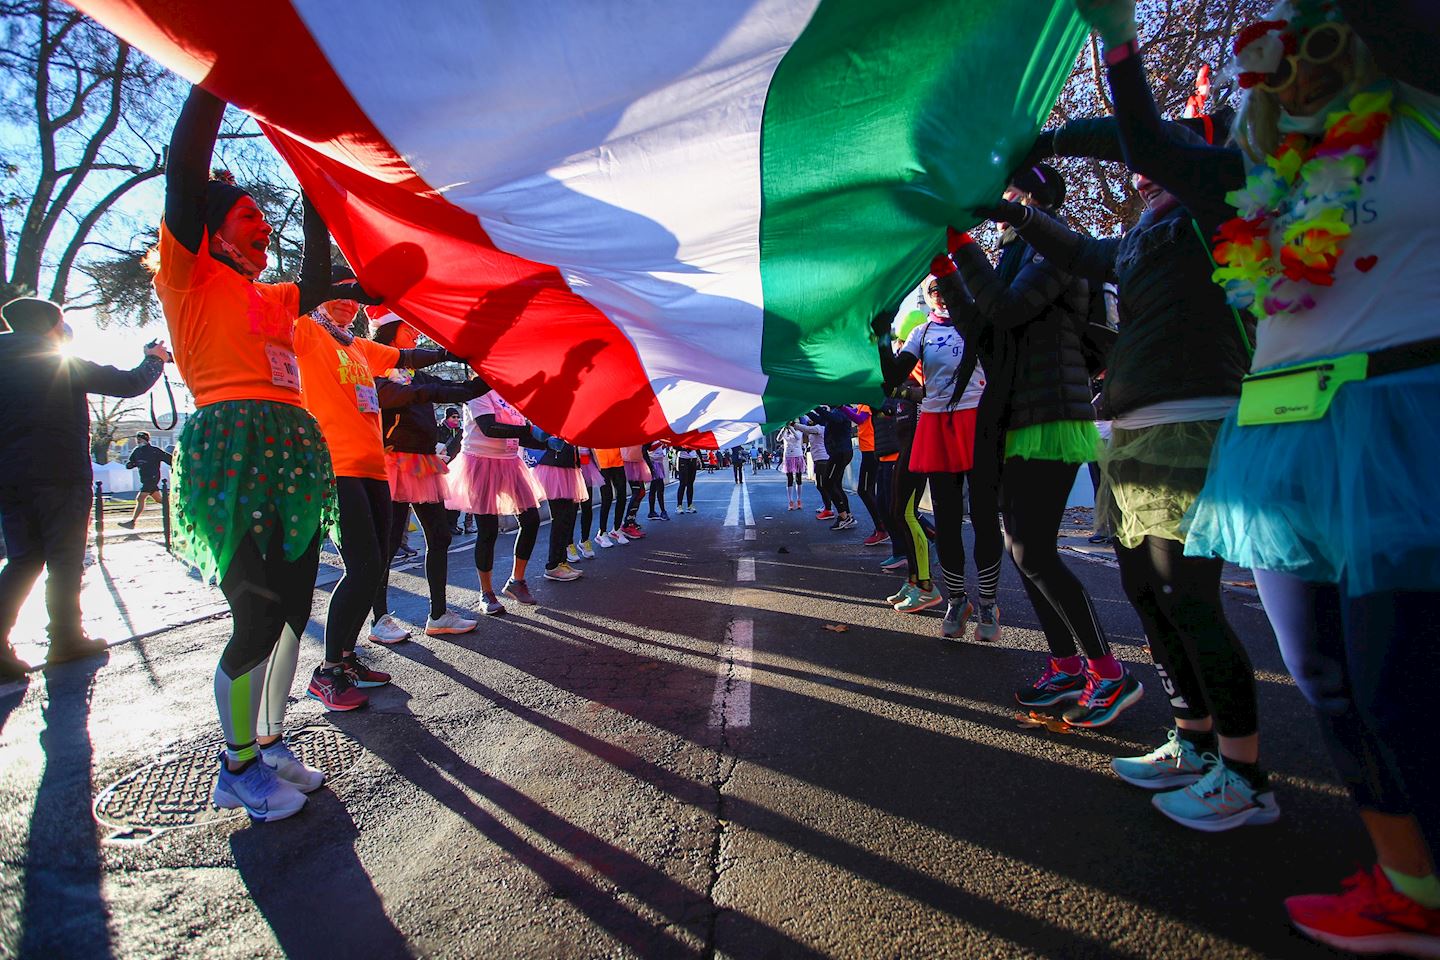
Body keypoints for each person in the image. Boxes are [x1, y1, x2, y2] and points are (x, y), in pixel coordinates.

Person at [1077, 0, 1440, 945]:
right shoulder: (1258, 175)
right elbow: (1146, 145)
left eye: (1305, 42)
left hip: (1403, 424)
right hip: (1286, 432)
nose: (1283, 70)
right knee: (1328, 679)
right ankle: (1409, 886)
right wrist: (1113, 41)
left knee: (1405, 685)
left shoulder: (1422, 108)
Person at [986, 110, 1265, 829]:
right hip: (1134, 431)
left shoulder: (1219, 207)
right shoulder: (1141, 239)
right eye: (1139, 167)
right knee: (1146, 592)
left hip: (1193, 424)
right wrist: (1003, 208)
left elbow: (1141, 140)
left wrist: (1048, 142)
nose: (1141, 174)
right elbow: (1081, 253)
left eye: (1158, 161)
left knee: (1191, 598)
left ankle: (1244, 774)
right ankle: (1192, 739)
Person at [153, 85, 369, 821]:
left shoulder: (274, 296)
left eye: (266, 223)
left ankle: (269, 742)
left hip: (294, 451)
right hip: (230, 453)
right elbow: (186, 170)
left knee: (289, 612)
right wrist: (217, 76)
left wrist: (314, 194)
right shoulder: (186, 275)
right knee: (253, 615)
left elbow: (315, 277)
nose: (262, 231)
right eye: (250, 218)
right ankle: (235, 765)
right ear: (210, 231)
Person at [948, 161, 1142, 727]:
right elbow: (987, 331)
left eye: (1008, 196)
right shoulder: (1014, 256)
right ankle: (1065, 666)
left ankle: (1109, 673)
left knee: (1033, 549)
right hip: (1018, 414)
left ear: (1029, 202)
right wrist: (948, 277)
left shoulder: (1055, 249)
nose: (999, 209)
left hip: (1052, 414)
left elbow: (1007, 309)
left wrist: (965, 253)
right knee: (1022, 550)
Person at [292, 278, 454, 704]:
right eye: (338, 291)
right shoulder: (305, 332)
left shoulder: (358, 347)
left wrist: (448, 351)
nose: (348, 301)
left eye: (355, 295)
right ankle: (327, 672)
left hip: (374, 468)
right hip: (336, 466)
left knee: (376, 563)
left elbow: (405, 356)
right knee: (362, 567)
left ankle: (346, 657)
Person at [0, 298, 167, 680]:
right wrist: (154, 359)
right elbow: (128, 383)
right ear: (51, 326)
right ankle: (65, 638)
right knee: (64, 558)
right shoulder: (55, 358)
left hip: (9, 476)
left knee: (23, 559)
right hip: (59, 472)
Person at [879, 271, 1002, 638]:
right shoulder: (921, 333)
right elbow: (891, 378)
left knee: (982, 516)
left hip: (978, 423)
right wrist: (883, 332)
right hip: (937, 426)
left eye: (950, 287)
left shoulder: (979, 322)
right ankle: (956, 599)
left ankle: (988, 603)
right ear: (928, 295)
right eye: (935, 289)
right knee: (947, 521)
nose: (942, 295)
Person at [371, 314, 489, 642]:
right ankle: (378, 619)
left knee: (440, 536)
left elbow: (457, 390)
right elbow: (426, 393)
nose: (416, 338)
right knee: (390, 540)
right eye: (409, 331)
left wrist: (494, 372)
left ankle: (438, 614)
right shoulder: (375, 369)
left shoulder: (419, 375)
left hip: (424, 463)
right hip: (392, 462)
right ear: (390, 334)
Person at [446, 389, 552, 614]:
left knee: (531, 519)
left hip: (510, 463)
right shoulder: (477, 391)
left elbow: (520, 434)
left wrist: (548, 442)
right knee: (488, 530)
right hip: (481, 463)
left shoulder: (511, 395)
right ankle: (486, 592)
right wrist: (531, 429)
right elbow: (489, 427)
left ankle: (517, 580)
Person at [533, 438, 586, 582]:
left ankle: (561, 562)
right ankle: (553, 565)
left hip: (566, 466)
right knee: (560, 519)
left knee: (567, 518)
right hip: (555, 468)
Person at [118, 431, 172, 529]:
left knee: (140, 498)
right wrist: (130, 465)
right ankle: (175, 508)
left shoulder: (154, 450)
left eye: (140, 439)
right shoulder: (137, 451)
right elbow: (130, 463)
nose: (138, 441)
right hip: (144, 479)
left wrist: (175, 465)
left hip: (152, 478)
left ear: (146, 440)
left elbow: (169, 459)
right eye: (137, 439)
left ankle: (132, 522)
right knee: (160, 500)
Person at [852, 404, 889, 546]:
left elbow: (860, 419)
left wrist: (841, 407)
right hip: (868, 450)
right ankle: (881, 526)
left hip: (872, 451)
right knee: (868, 491)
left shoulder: (867, 404)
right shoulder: (861, 404)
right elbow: (854, 413)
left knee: (865, 490)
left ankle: (882, 527)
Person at [591, 447, 629, 548]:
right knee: (607, 498)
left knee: (622, 496)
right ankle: (602, 532)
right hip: (602, 462)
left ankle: (616, 529)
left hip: (618, 461)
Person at [777, 422, 806, 510]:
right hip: (788, 457)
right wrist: (783, 429)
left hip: (798, 456)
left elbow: (797, 438)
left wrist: (791, 427)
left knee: (798, 478)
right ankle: (790, 501)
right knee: (789, 479)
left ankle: (799, 499)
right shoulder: (785, 433)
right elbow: (778, 439)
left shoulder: (799, 432)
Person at [646, 441, 671, 520]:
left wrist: (663, 445)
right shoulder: (652, 437)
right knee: (660, 488)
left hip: (658, 462)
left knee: (653, 488)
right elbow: (648, 449)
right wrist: (660, 443)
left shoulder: (659, 438)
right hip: (654, 462)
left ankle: (651, 512)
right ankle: (663, 511)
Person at [673, 447, 700, 513]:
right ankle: (679, 506)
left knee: (690, 484)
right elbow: (675, 446)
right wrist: (685, 448)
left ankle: (689, 505)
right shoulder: (680, 436)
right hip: (683, 459)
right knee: (683, 483)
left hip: (693, 459)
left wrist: (700, 459)